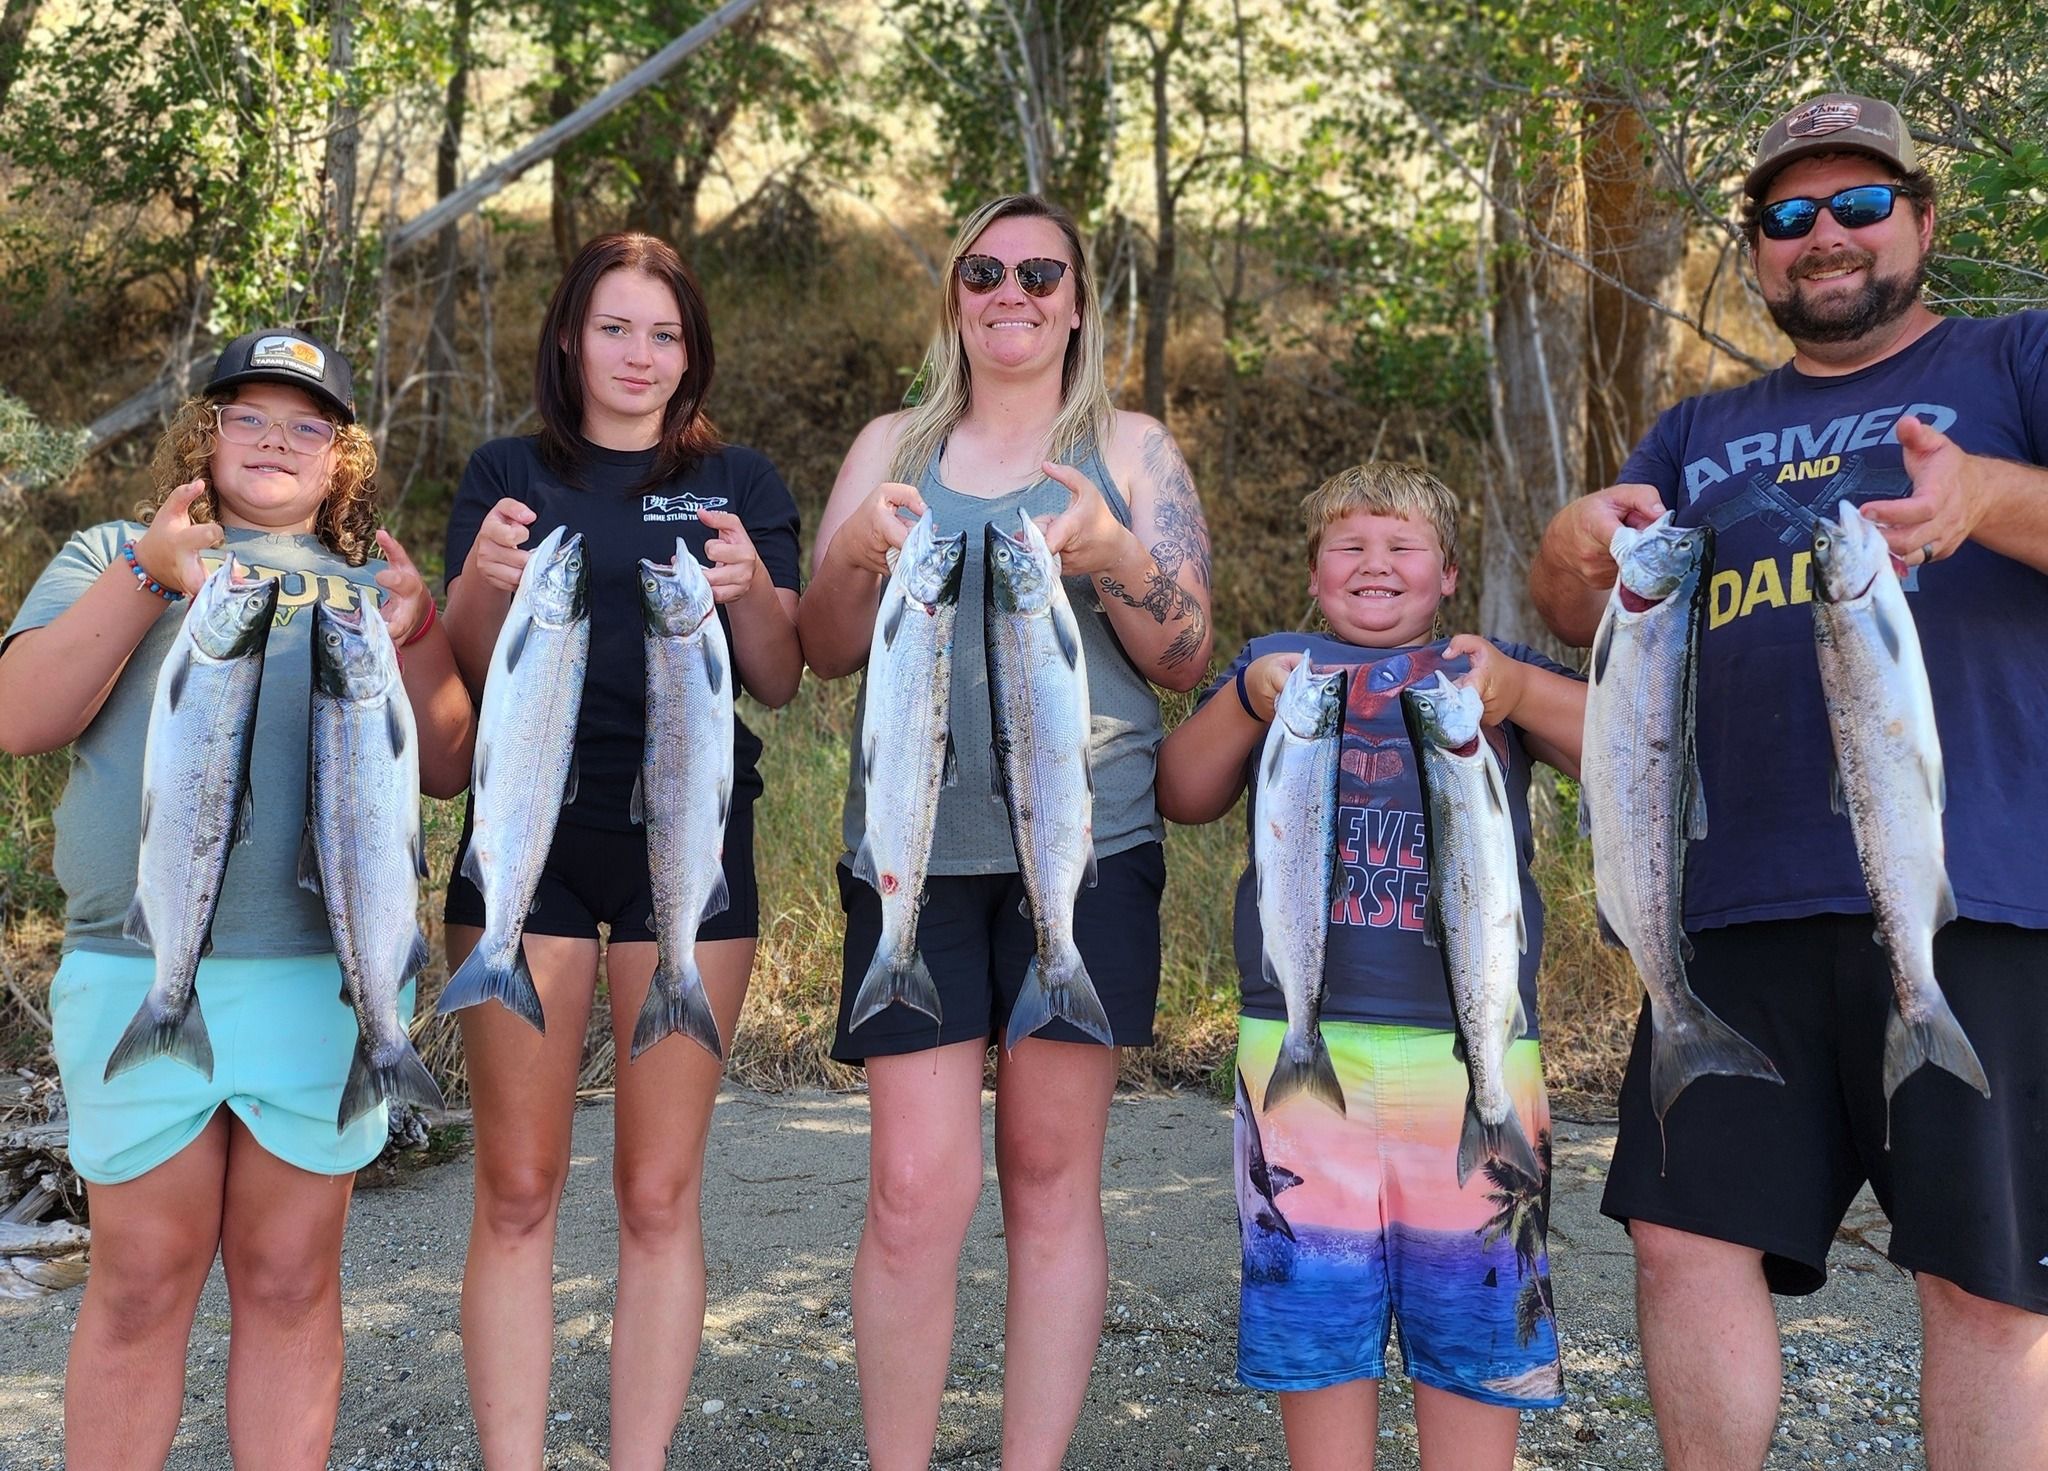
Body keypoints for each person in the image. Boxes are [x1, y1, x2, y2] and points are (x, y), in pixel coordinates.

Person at [1528, 92, 2048, 1470]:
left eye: (1861, 204)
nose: (1826, 236)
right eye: (1789, 215)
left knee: (1986, 1282)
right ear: (1758, 248)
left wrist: (1984, 498)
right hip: (1723, 904)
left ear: (1922, 222)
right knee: (1686, 1244)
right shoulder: (1697, 429)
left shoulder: (2019, 357)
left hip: (1975, 892)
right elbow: (1579, 611)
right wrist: (1572, 540)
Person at [0, 328, 472, 1468]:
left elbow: (450, 761)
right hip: (137, 962)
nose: (274, 440)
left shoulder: (373, 590)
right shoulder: (116, 550)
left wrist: (416, 638)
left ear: (341, 455)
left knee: (289, 1276)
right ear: (203, 434)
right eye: (246, 416)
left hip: (325, 978)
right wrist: (150, 576)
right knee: (142, 1279)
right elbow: (20, 717)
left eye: (305, 423)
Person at [798, 193, 1212, 1469]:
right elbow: (815, 649)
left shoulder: (1130, 449)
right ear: (956, 298)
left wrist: (1111, 553)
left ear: (1078, 301)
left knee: (1048, 1182)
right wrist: (859, 556)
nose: (1011, 292)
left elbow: (1188, 655)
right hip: (909, 861)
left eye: (1042, 272)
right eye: (983, 270)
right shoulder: (889, 444)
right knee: (914, 1194)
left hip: (1085, 861)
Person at [438, 231, 803, 1469]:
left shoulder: (738, 484)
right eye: (613, 327)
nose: (638, 355)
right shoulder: (504, 472)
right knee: (520, 1187)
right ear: (567, 338)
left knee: (655, 1194)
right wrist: (479, 586)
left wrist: (754, 590)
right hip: (527, 845)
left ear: (690, 352)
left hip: (689, 854)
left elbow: (781, 677)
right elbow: (467, 670)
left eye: (664, 333)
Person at [1156, 462, 1581, 1471]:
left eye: (1401, 546)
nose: (1374, 563)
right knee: (1314, 1324)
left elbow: (1615, 741)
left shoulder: (1488, 672)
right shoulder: (1277, 668)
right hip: (1297, 1044)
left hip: (1473, 1052)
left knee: (1477, 1322)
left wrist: (1515, 688)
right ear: (1311, 574)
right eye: (1347, 545)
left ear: (1445, 576)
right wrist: (1247, 699)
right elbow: (1179, 789)